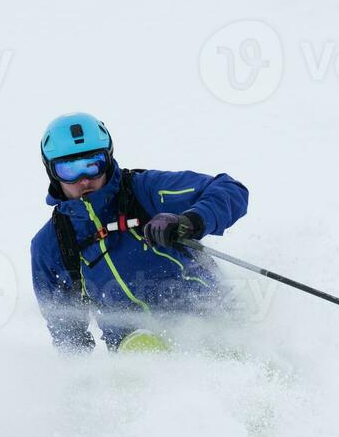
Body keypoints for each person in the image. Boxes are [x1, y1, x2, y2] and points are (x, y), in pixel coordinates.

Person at [30, 112, 249, 352]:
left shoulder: (144, 190)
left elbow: (229, 190)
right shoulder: (52, 244)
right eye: (69, 169)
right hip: (137, 354)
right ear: (52, 171)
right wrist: (81, 379)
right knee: (140, 350)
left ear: (108, 157)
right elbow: (66, 329)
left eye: (94, 165)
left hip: (210, 318)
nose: (84, 180)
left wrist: (188, 222)